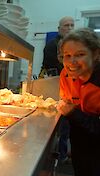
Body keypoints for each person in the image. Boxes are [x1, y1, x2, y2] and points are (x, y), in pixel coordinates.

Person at [57, 28, 100, 176]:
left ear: (96, 54)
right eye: (67, 55)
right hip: (81, 141)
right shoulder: (66, 75)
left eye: (80, 54)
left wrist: (73, 113)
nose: (72, 62)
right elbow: (67, 101)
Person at [41, 16, 75, 163]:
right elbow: (49, 69)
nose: (70, 28)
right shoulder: (50, 46)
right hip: (55, 91)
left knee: (66, 128)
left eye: (72, 25)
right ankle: (55, 153)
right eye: (67, 25)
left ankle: (61, 154)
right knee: (58, 126)